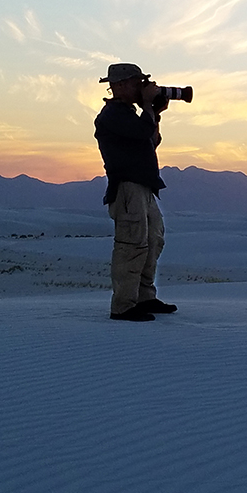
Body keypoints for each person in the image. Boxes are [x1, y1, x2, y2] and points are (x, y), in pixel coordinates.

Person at [94, 63, 177, 322]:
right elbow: (142, 132)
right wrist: (149, 107)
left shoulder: (129, 113)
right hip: (128, 188)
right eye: (135, 82)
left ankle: (144, 297)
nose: (141, 86)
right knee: (131, 245)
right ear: (118, 86)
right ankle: (123, 305)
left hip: (144, 186)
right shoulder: (112, 114)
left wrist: (155, 113)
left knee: (152, 241)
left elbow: (152, 140)